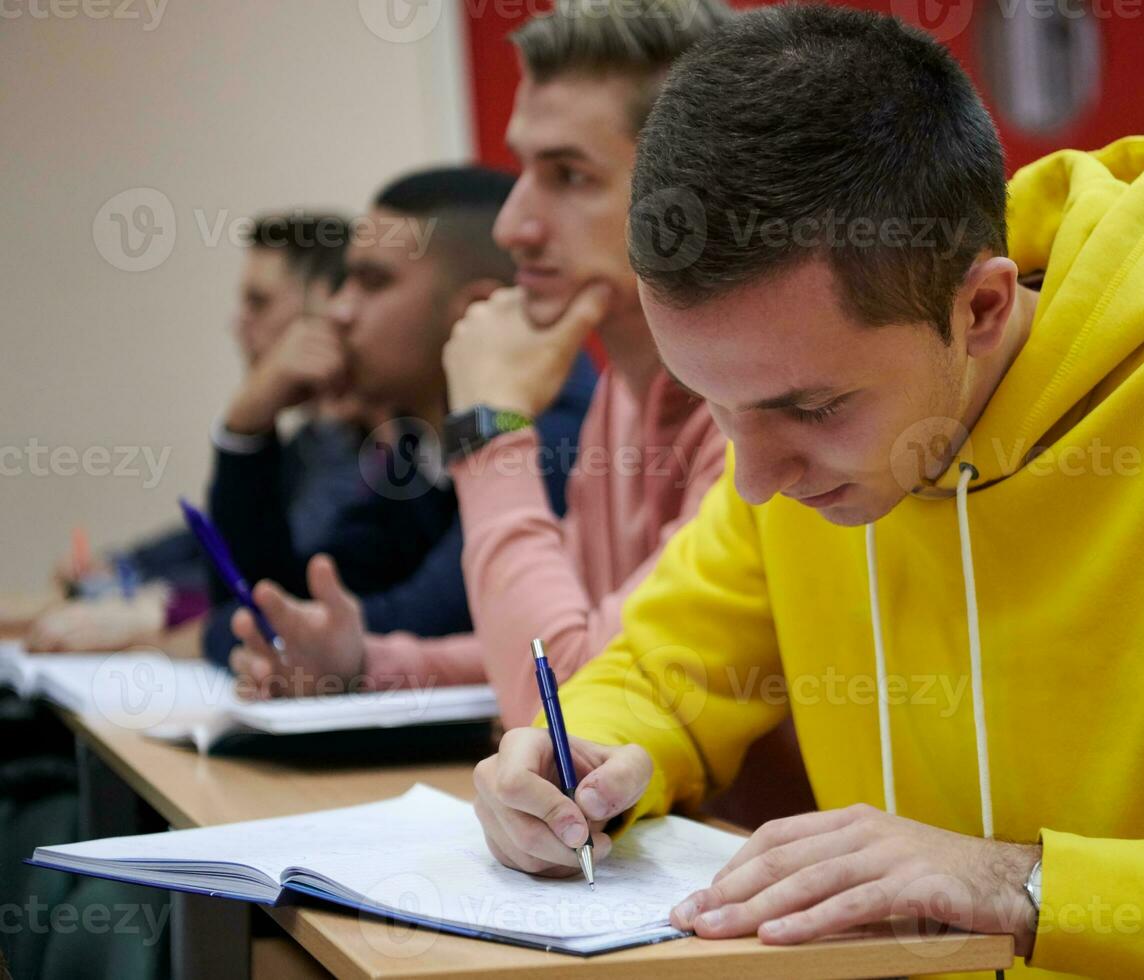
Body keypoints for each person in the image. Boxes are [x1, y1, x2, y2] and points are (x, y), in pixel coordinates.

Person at [470, 6, 1144, 976]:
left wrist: (1031, 885)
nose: (759, 477)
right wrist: (581, 759)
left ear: (984, 306)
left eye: (813, 409)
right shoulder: (796, 449)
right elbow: (660, 678)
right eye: (715, 405)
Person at [228, 0, 811, 827]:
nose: (514, 225)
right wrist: (371, 662)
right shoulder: (622, 392)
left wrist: (490, 428)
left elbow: (567, 705)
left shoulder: (768, 416)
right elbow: (581, 642)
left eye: (569, 177)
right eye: (524, 170)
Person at [204, 168, 598, 676]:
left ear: (474, 311)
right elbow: (282, 607)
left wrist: (236, 629)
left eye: (372, 282)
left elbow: (396, 628)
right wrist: (247, 429)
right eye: (345, 280)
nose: (338, 311)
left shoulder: (555, 439)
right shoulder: (419, 448)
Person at [27, 213, 360, 653]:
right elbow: (210, 539)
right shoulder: (312, 442)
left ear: (324, 307)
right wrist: (122, 568)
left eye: (258, 302)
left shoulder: (367, 452)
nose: (238, 323)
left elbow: (278, 580)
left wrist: (165, 609)